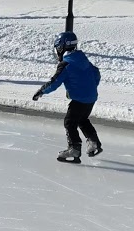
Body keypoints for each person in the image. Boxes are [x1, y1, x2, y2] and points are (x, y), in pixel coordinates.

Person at [32, 31, 102, 163]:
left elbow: (55, 82)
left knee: (69, 122)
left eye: (58, 48)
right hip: (91, 97)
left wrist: (41, 91)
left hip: (80, 99)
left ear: (61, 48)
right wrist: (90, 87)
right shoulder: (83, 59)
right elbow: (96, 73)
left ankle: (74, 148)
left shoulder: (66, 64)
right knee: (82, 119)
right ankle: (94, 142)